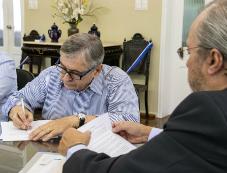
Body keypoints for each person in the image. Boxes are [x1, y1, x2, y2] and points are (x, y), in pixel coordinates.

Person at [58, 1, 227, 172]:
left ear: (214, 60)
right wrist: (149, 133)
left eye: (189, 52)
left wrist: (75, 148)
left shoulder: (209, 109)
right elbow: (205, 146)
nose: (187, 61)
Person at [2, 33, 140, 141]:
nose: (65, 78)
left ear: (97, 70)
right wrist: (17, 109)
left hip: (98, 156)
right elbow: (18, 98)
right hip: (52, 152)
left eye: (75, 73)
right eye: (63, 67)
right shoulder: (52, 74)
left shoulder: (116, 80)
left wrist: (76, 120)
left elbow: (129, 122)